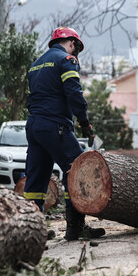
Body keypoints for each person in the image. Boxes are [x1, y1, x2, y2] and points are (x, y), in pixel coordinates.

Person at [23, 27, 105, 241]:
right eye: (76, 49)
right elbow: (74, 94)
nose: (76, 53)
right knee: (75, 169)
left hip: (34, 126)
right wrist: (85, 123)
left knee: (36, 180)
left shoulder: (35, 65)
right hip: (55, 125)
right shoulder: (67, 60)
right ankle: (75, 228)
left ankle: (32, 232)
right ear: (72, 44)